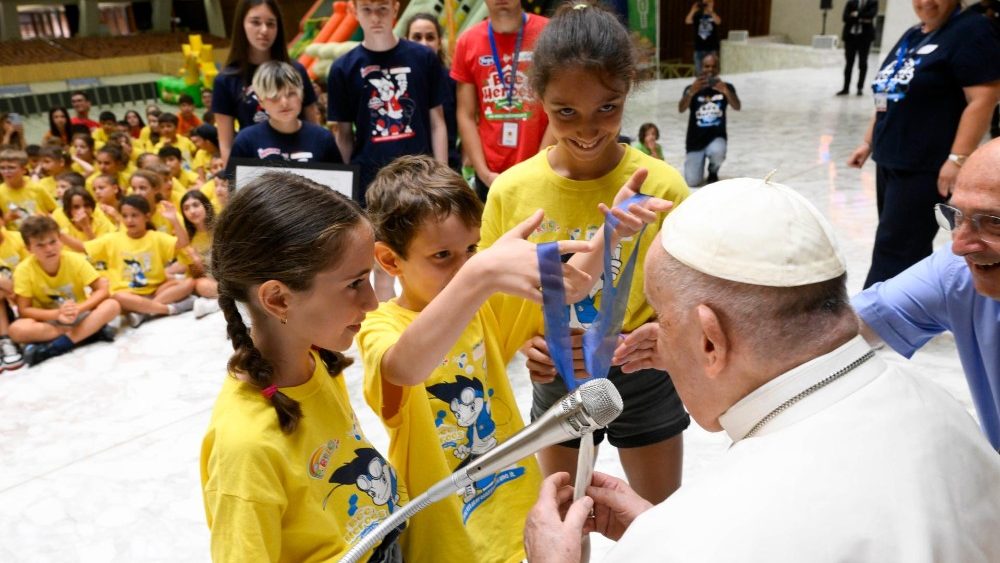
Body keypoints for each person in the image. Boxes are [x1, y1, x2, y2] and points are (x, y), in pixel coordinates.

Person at [523, 176, 1000, 562]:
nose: (656, 341)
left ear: (710, 339)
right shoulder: (946, 413)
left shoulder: (698, 532)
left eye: (662, 321)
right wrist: (658, 530)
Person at [482, 2, 691, 508]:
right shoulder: (512, 192)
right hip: (560, 373)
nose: (588, 128)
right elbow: (492, 305)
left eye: (608, 107)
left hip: (644, 373)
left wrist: (666, 335)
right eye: (565, 111)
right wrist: (528, 346)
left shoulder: (661, 186)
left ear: (629, 92)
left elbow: (696, 290)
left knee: (659, 520)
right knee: (563, 520)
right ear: (540, 100)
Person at [200, 171, 404, 562]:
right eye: (354, 283)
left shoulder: (315, 363)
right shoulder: (245, 447)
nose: (372, 302)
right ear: (278, 299)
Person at [853, 138, 1000, 450]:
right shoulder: (956, 273)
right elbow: (840, 330)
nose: (960, 246)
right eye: (957, 216)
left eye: (995, 224)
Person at [847, 0, 1000, 288]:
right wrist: (868, 142)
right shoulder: (914, 34)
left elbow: (982, 99)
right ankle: (908, 310)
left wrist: (958, 159)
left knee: (896, 247)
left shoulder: (971, 30)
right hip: (892, 159)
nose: (925, 2)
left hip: (926, 164)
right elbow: (887, 93)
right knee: (901, 242)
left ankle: (879, 318)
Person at [327, 0, 447, 204]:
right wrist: (343, 191)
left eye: (382, 8)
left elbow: (437, 123)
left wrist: (442, 178)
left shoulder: (423, 57)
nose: (375, 17)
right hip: (369, 182)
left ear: (395, 8)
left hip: (420, 177)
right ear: (354, 11)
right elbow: (344, 136)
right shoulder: (342, 68)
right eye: (367, 9)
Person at [451, 0, 552, 201]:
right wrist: (483, 173)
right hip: (491, 175)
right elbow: (466, 114)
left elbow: (560, 107)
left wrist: (540, 165)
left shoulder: (548, 32)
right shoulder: (467, 41)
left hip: (543, 168)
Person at [212, 0, 320, 163]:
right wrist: (233, 181)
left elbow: (313, 125)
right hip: (255, 171)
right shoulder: (226, 80)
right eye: (255, 22)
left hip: (301, 165)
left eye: (270, 24)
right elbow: (226, 144)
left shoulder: (296, 71)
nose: (264, 30)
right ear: (242, 24)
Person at [61, 194, 193, 328]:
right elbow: (83, 247)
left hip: (155, 291)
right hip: (127, 294)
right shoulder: (112, 239)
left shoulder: (156, 237)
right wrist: (59, 235)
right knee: (117, 298)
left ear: (147, 217)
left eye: (134, 215)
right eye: (125, 216)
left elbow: (183, 243)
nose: (129, 220)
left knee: (188, 283)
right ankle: (170, 309)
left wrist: (174, 220)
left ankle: (144, 312)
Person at [9, 215, 119, 366]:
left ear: (60, 240)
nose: (49, 249)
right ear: (29, 248)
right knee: (16, 329)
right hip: (51, 322)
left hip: (79, 314)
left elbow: (102, 290)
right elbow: (24, 309)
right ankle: (88, 333)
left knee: (112, 305)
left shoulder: (74, 259)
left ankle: (58, 345)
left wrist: (79, 309)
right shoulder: (23, 270)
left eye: (53, 241)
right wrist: (57, 314)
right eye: (40, 245)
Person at [231, 61, 340, 164]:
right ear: (261, 101)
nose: (284, 103)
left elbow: (340, 181)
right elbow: (233, 182)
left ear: (301, 94)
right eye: (274, 97)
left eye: (291, 94)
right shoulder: (246, 141)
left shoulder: (323, 138)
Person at [405, 13, 462, 172]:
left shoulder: (453, 80)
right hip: (410, 168)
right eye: (417, 37)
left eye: (430, 37)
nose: (424, 43)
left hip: (447, 166)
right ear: (406, 40)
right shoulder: (398, 80)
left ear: (439, 42)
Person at [679, 53, 739, 187]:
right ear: (701, 67)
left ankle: (713, 170)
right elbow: (681, 109)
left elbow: (737, 106)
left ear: (718, 68)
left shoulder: (726, 87)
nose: (710, 70)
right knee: (692, 182)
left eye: (713, 66)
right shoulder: (692, 88)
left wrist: (726, 91)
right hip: (695, 141)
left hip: (716, 137)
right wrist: (691, 92)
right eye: (707, 66)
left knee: (718, 151)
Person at [178, 190, 219, 318]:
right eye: (186, 208)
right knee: (199, 284)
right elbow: (199, 274)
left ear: (206, 205)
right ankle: (221, 301)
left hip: (228, 275)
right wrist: (196, 260)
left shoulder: (220, 227)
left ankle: (217, 302)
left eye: (196, 205)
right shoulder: (188, 240)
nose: (192, 211)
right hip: (211, 280)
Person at [0, 149, 57, 231]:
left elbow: (55, 211)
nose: (6, 172)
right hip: (15, 237)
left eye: (11, 168)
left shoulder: (37, 188)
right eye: (2, 168)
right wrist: (6, 218)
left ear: (24, 169)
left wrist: (45, 218)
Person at [0, 219, 28, 371]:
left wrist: (12, 288)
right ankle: (5, 340)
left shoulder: (17, 238)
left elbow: (32, 267)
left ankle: (5, 339)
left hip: (25, 294)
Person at [837, 0, 878, 96]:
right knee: (849, 63)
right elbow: (845, 17)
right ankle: (845, 88)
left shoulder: (872, 2)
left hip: (864, 38)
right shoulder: (851, 2)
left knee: (862, 63)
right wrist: (862, 18)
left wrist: (856, 14)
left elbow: (871, 15)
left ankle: (860, 88)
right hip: (850, 37)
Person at [685, 0, 721, 76]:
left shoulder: (714, 15)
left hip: (711, 48)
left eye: (710, 2)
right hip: (699, 48)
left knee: (713, 72)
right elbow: (687, 21)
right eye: (706, 3)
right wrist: (692, 10)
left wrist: (711, 12)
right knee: (699, 73)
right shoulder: (697, 15)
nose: (708, 4)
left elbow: (718, 22)